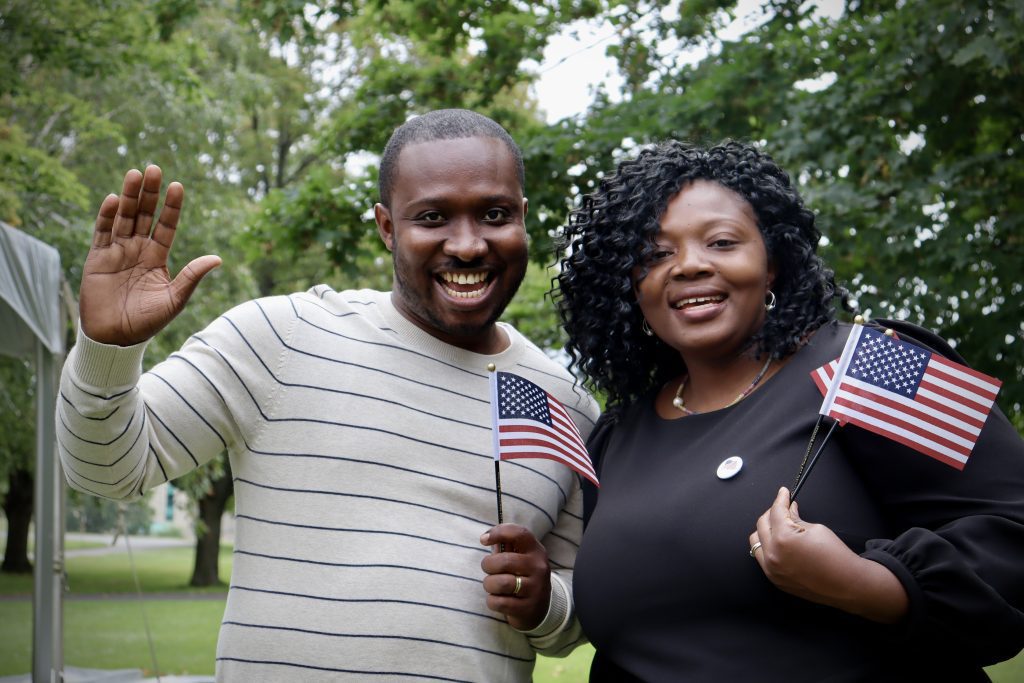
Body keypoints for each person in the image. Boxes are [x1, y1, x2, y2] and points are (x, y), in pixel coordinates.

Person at [56, 108, 599, 681]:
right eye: (433, 217)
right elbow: (105, 472)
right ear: (387, 226)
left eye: (494, 214)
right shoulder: (280, 336)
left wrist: (546, 605)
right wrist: (106, 351)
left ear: (523, 217)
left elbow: (577, 610)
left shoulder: (567, 406)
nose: (467, 246)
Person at [555, 139, 1024, 681]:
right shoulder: (617, 436)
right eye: (656, 254)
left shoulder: (869, 362)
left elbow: (1012, 525)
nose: (688, 266)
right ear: (632, 286)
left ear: (772, 261)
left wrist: (865, 583)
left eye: (722, 242)